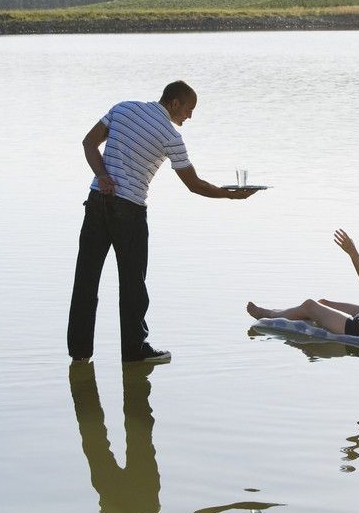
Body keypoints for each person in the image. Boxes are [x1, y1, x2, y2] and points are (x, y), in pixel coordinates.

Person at [68, 80, 258, 364]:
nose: (190, 116)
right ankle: (134, 351)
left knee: (86, 279)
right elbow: (194, 185)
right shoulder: (171, 137)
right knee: (133, 285)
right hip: (129, 211)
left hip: (97, 203)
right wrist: (230, 196)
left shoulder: (123, 108)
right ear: (174, 103)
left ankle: (79, 353)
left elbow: (88, 143)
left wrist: (103, 176)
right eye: (189, 109)